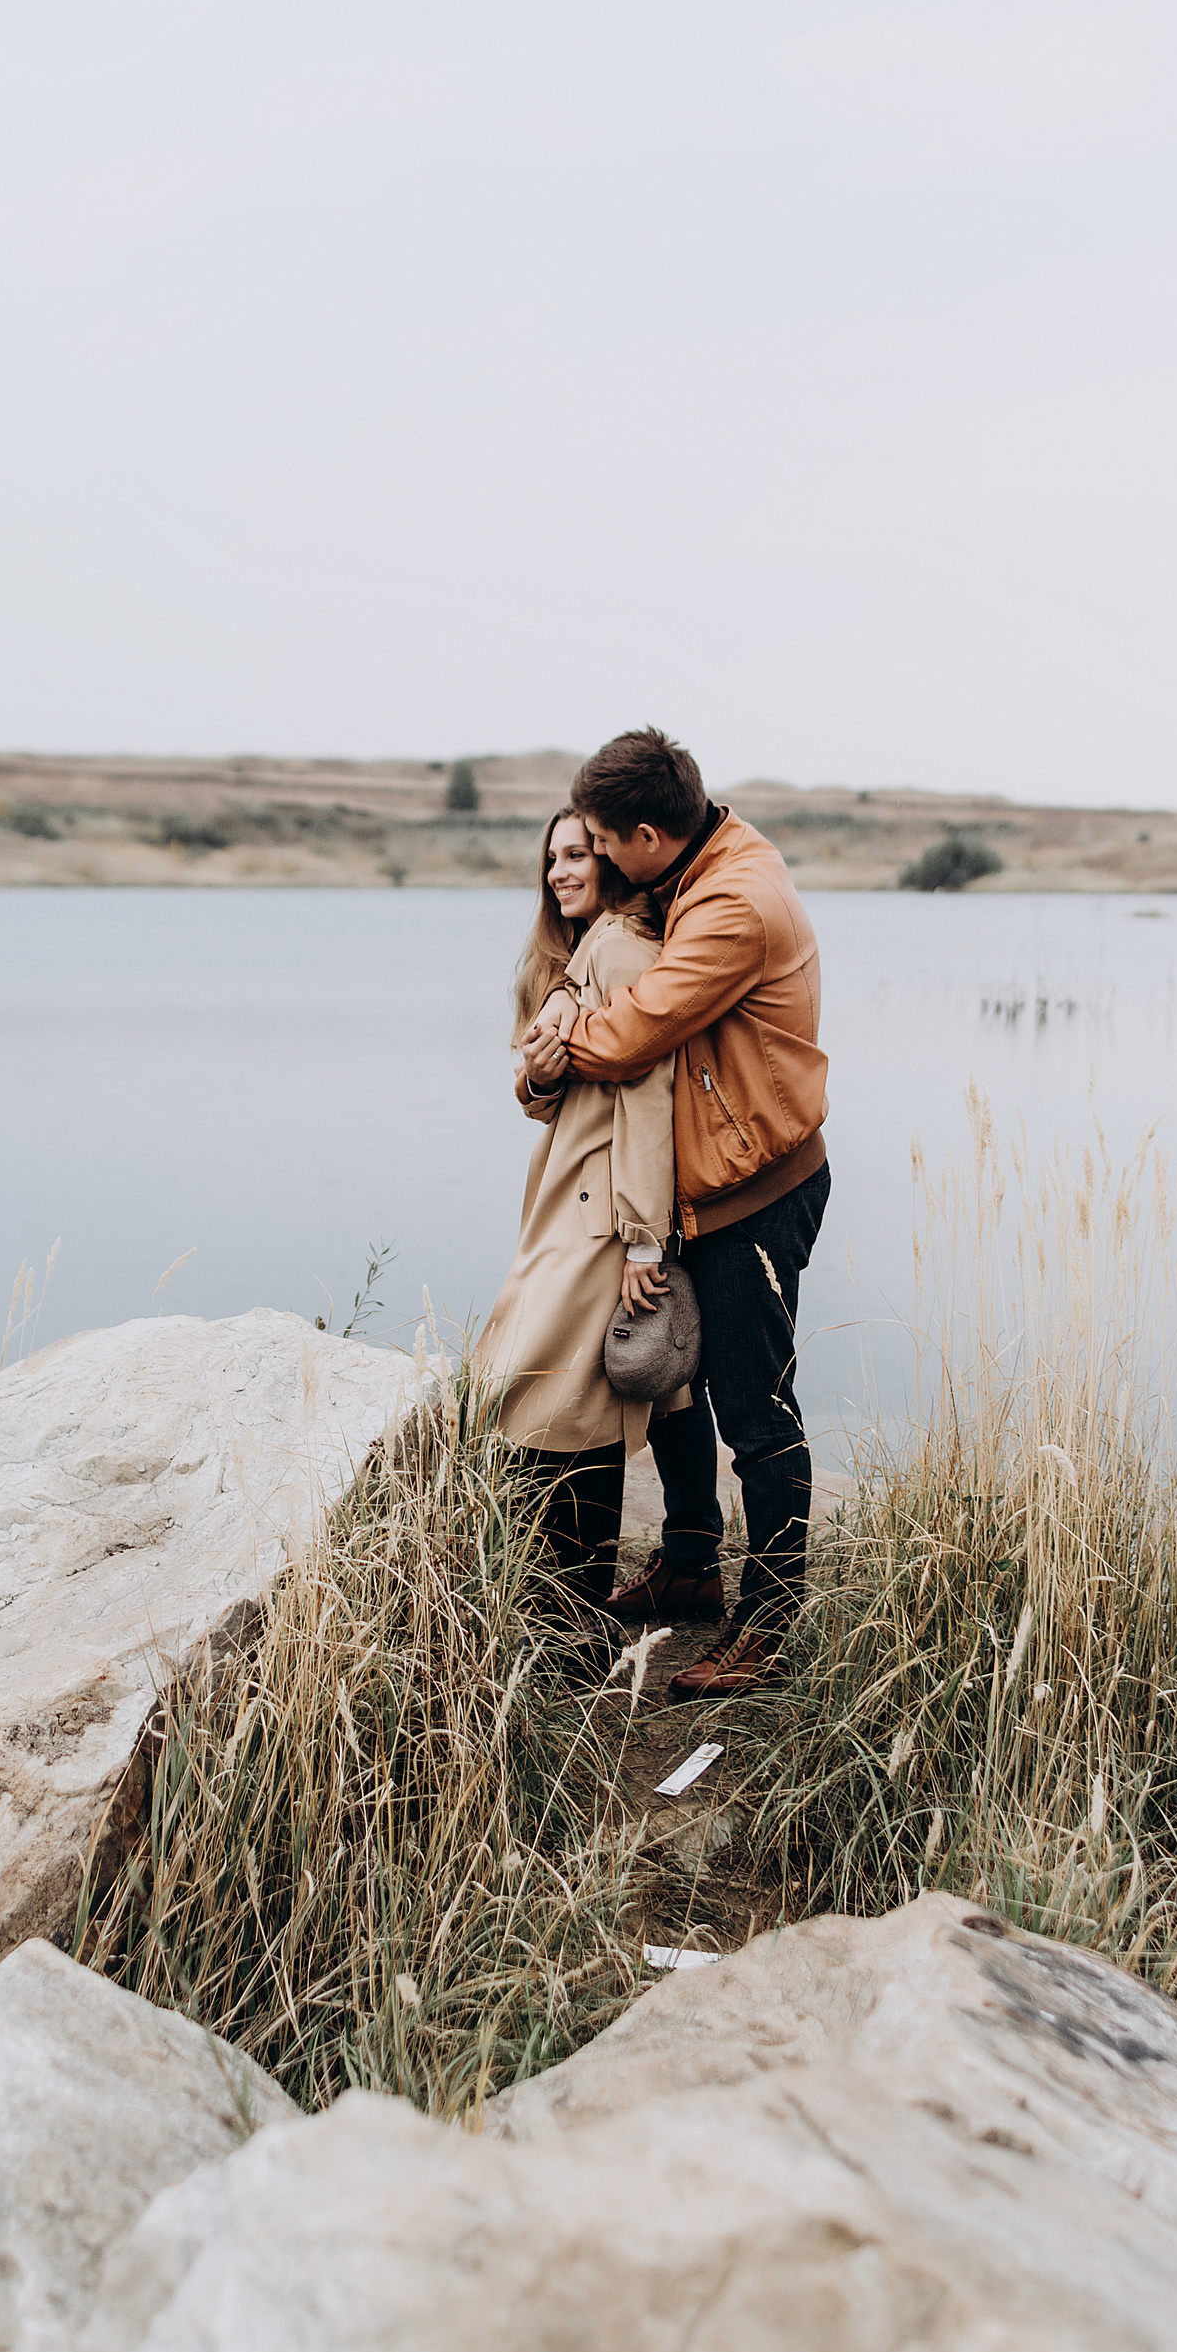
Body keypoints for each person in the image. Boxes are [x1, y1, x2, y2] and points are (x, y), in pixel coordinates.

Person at [521, 727, 830, 1699]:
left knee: (756, 1411)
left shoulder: (733, 904)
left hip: (758, 1191)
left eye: (606, 842)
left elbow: (641, 1028)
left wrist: (562, 1033)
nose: (599, 861)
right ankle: (692, 1562)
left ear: (650, 834)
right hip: (715, 1186)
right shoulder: (699, 865)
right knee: (674, 1388)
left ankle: (767, 1626)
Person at [474, 805, 686, 1661]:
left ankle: (570, 1617)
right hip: (570, 1197)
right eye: (551, 856)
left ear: (612, 861)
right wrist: (537, 1074)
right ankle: (558, 1608)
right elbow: (543, 1097)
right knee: (555, 1396)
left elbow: (648, 1092)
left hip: (603, 1210)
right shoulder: (573, 954)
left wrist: (642, 1235)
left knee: (562, 1400)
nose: (560, 870)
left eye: (577, 854)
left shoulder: (625, 949)